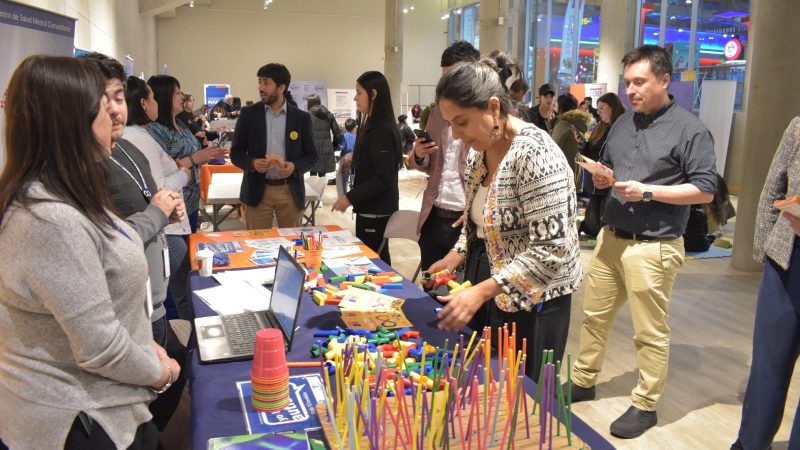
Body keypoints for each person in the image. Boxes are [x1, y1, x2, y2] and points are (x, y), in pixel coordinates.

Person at [0, 54, 180, 450]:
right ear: (74, 121)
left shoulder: (68, 193)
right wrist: (160, 372)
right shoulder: (50, 219)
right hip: (82, 418)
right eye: (104, 106)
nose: (115, 116)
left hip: (105, 403)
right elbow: (99, 346)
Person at [569, 45, 717, 439]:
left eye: (640, 82)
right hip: (611, 238)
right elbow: (619, 169)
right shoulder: (622, 123)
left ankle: (646, 404)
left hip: (654, 246)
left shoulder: (690, 129)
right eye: (627, 83)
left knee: (649, 331)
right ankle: (584, 381)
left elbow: (705, 190)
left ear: (664, 80)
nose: (631, 91)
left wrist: (649, 192)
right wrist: (605, 177)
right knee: (594, 316)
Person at [426, 52, 583, 382]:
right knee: (485, 380)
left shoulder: (536, 154)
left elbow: (549, 251)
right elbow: (477, 222)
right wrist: (456, 255)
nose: (456, 135)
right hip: (488, 281)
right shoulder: (479, 152)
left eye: (461, 122)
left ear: (494, 108)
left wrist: (482, 291)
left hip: (534, 299)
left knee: (520, 395)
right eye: (450, 123)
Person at [80, 53, 189, 436]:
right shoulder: (79, 167)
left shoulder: (125, 147)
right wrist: (156, 214)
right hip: (128, 311)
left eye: (118, 97)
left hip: (152, 301)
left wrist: (165, 210)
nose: (114, 110)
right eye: (103, 99)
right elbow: (103, 241)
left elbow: (146, 202)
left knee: (173, 374)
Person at [731, 117, 800, 450]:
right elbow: (773, 187)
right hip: (787, 260)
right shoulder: (798, 127)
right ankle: (750, 443)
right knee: (768, 362)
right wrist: (766, 249)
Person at [124, 75, 195, 323]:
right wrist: (184, 174)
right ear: (144, 104)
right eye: (152, 98)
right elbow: (158, 189)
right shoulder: (141, 138)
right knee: (178, 292)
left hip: (164, 225)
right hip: (165, 229)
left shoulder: (136, 136)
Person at [407, 40, 479, 271]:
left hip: (466, 218)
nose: (448, 85)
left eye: (454, 77)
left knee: (461, 292)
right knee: (431, 285)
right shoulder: (438, 112)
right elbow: (429, 163)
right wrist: (419, 154)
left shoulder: (484, 116)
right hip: (434, 213)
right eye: (444, 78)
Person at [230, 63, 317, 229]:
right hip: (257, 191)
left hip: (290, 191)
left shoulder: (301, 118)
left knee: (293, 245)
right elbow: (236, 153)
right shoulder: (248, 114)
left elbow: (312, 156)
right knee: (257, 245)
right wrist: (252, 163)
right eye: (259, 82)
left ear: (281, 87)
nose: (260, 87)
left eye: (266, 83)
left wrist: (295, 166)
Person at [331, 71, 402, 264]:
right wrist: (353, 160)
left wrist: (349, 198)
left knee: (375, 262)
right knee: (372, 259)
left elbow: (383, 178)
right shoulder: (371, 123)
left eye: (358, 93)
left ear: (373, 94)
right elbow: (374, 158)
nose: (355, 98)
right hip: (369, 208)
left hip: (376, 210)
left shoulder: (382, 128)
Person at [148, 75, 226, 232]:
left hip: (191, 199)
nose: (182, 97)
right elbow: (164, 169)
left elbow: (192, 154)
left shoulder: (180, 124)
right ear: (164, 97)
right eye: (177, 93)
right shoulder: (156, 130)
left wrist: (208, 155)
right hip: (173, 206)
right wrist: (194, 158)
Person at [578, 92, 626, 237]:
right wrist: (581, 143)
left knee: (603, 223)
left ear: (613, 107)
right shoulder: (600, 127)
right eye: (597, 109)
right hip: (596, 179)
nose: (599, 113)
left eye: (602, 108)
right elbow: (590, 150)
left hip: (612, 181)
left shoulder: (623, 127)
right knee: (593, 223)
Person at [550, 94, 593, 176]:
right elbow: (586, 140)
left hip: (564, 169)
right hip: (578, 168)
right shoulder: (582, 121)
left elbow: (553, 146)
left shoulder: (564, 123)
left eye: (556, 103)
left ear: (561, 107)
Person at [307, 93, 342, 178]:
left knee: (313, 179)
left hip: (311, 152)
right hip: (325, 151)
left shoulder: (306, 116)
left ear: (309, 103)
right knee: (322, 179)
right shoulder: (328, 115)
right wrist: (334, 146)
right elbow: (338, 134)